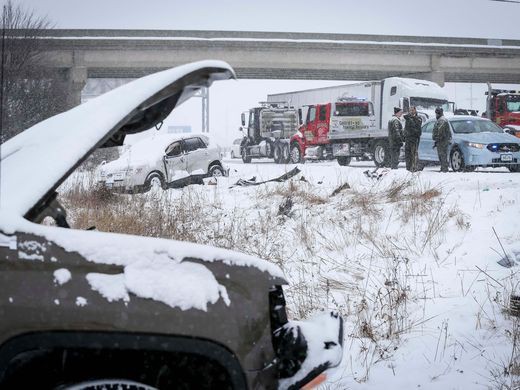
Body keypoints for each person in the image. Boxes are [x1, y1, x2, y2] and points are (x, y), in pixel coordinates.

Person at [432, 107, 452, 172]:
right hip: (442, 140)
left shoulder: (442, 121)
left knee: (442, 155)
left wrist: (437, 139)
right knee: (442, 155)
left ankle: (444, 169)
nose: (436, 115)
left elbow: (440, 131)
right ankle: (443, 168)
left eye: (436, 113)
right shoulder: (441, 120)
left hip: (442, 141)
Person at [403, 106, 423, 172]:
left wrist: (411, 119)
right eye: (410, 110)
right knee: (407, 154)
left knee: (413, 154)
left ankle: (414, 168)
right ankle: (408, 168)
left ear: (415, 110)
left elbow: (416, 128)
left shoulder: (418, 118)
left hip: (414, 139)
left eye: (412, 110)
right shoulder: (408, 118)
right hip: (408, 139)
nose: (411, 111)